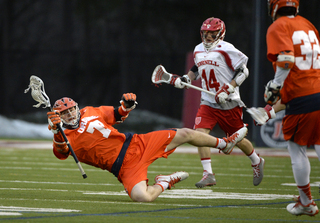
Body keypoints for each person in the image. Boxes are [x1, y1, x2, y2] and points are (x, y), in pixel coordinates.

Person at [46, 93, 248, 202]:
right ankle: (165, 182)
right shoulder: (64, 135)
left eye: (71, 109)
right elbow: (61, 153)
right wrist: (56, 130)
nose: (70, 114)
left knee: (185, 133)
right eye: (65, 113)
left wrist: (127, 104)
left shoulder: (91, 111)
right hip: (123, 168)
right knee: (142, 197)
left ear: (77, 107)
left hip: (136, 144)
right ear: (59, 117)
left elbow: (118, 114)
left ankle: (224, 144)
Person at [170, 17, 264, 188]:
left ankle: (256, 161)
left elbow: (244, 71)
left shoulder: (226, 49)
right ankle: (208, 174)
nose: (208, 37)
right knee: (200, 134)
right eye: (205, 34)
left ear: (220, 33)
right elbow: (196, 68)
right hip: (208, 102)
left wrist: (228, 88)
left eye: (212, 34)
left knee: (239, 139)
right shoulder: (198, 49)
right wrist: (186, 79)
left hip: (228, 102)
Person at [252, 0, 320, 216]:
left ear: (274, 6)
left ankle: (306, 202)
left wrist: (275, 84)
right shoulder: (308, 25)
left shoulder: (278, 26)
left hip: (303, 95)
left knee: (296, 148)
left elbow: (287, 59)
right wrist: (268, 112)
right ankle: (305, 201)